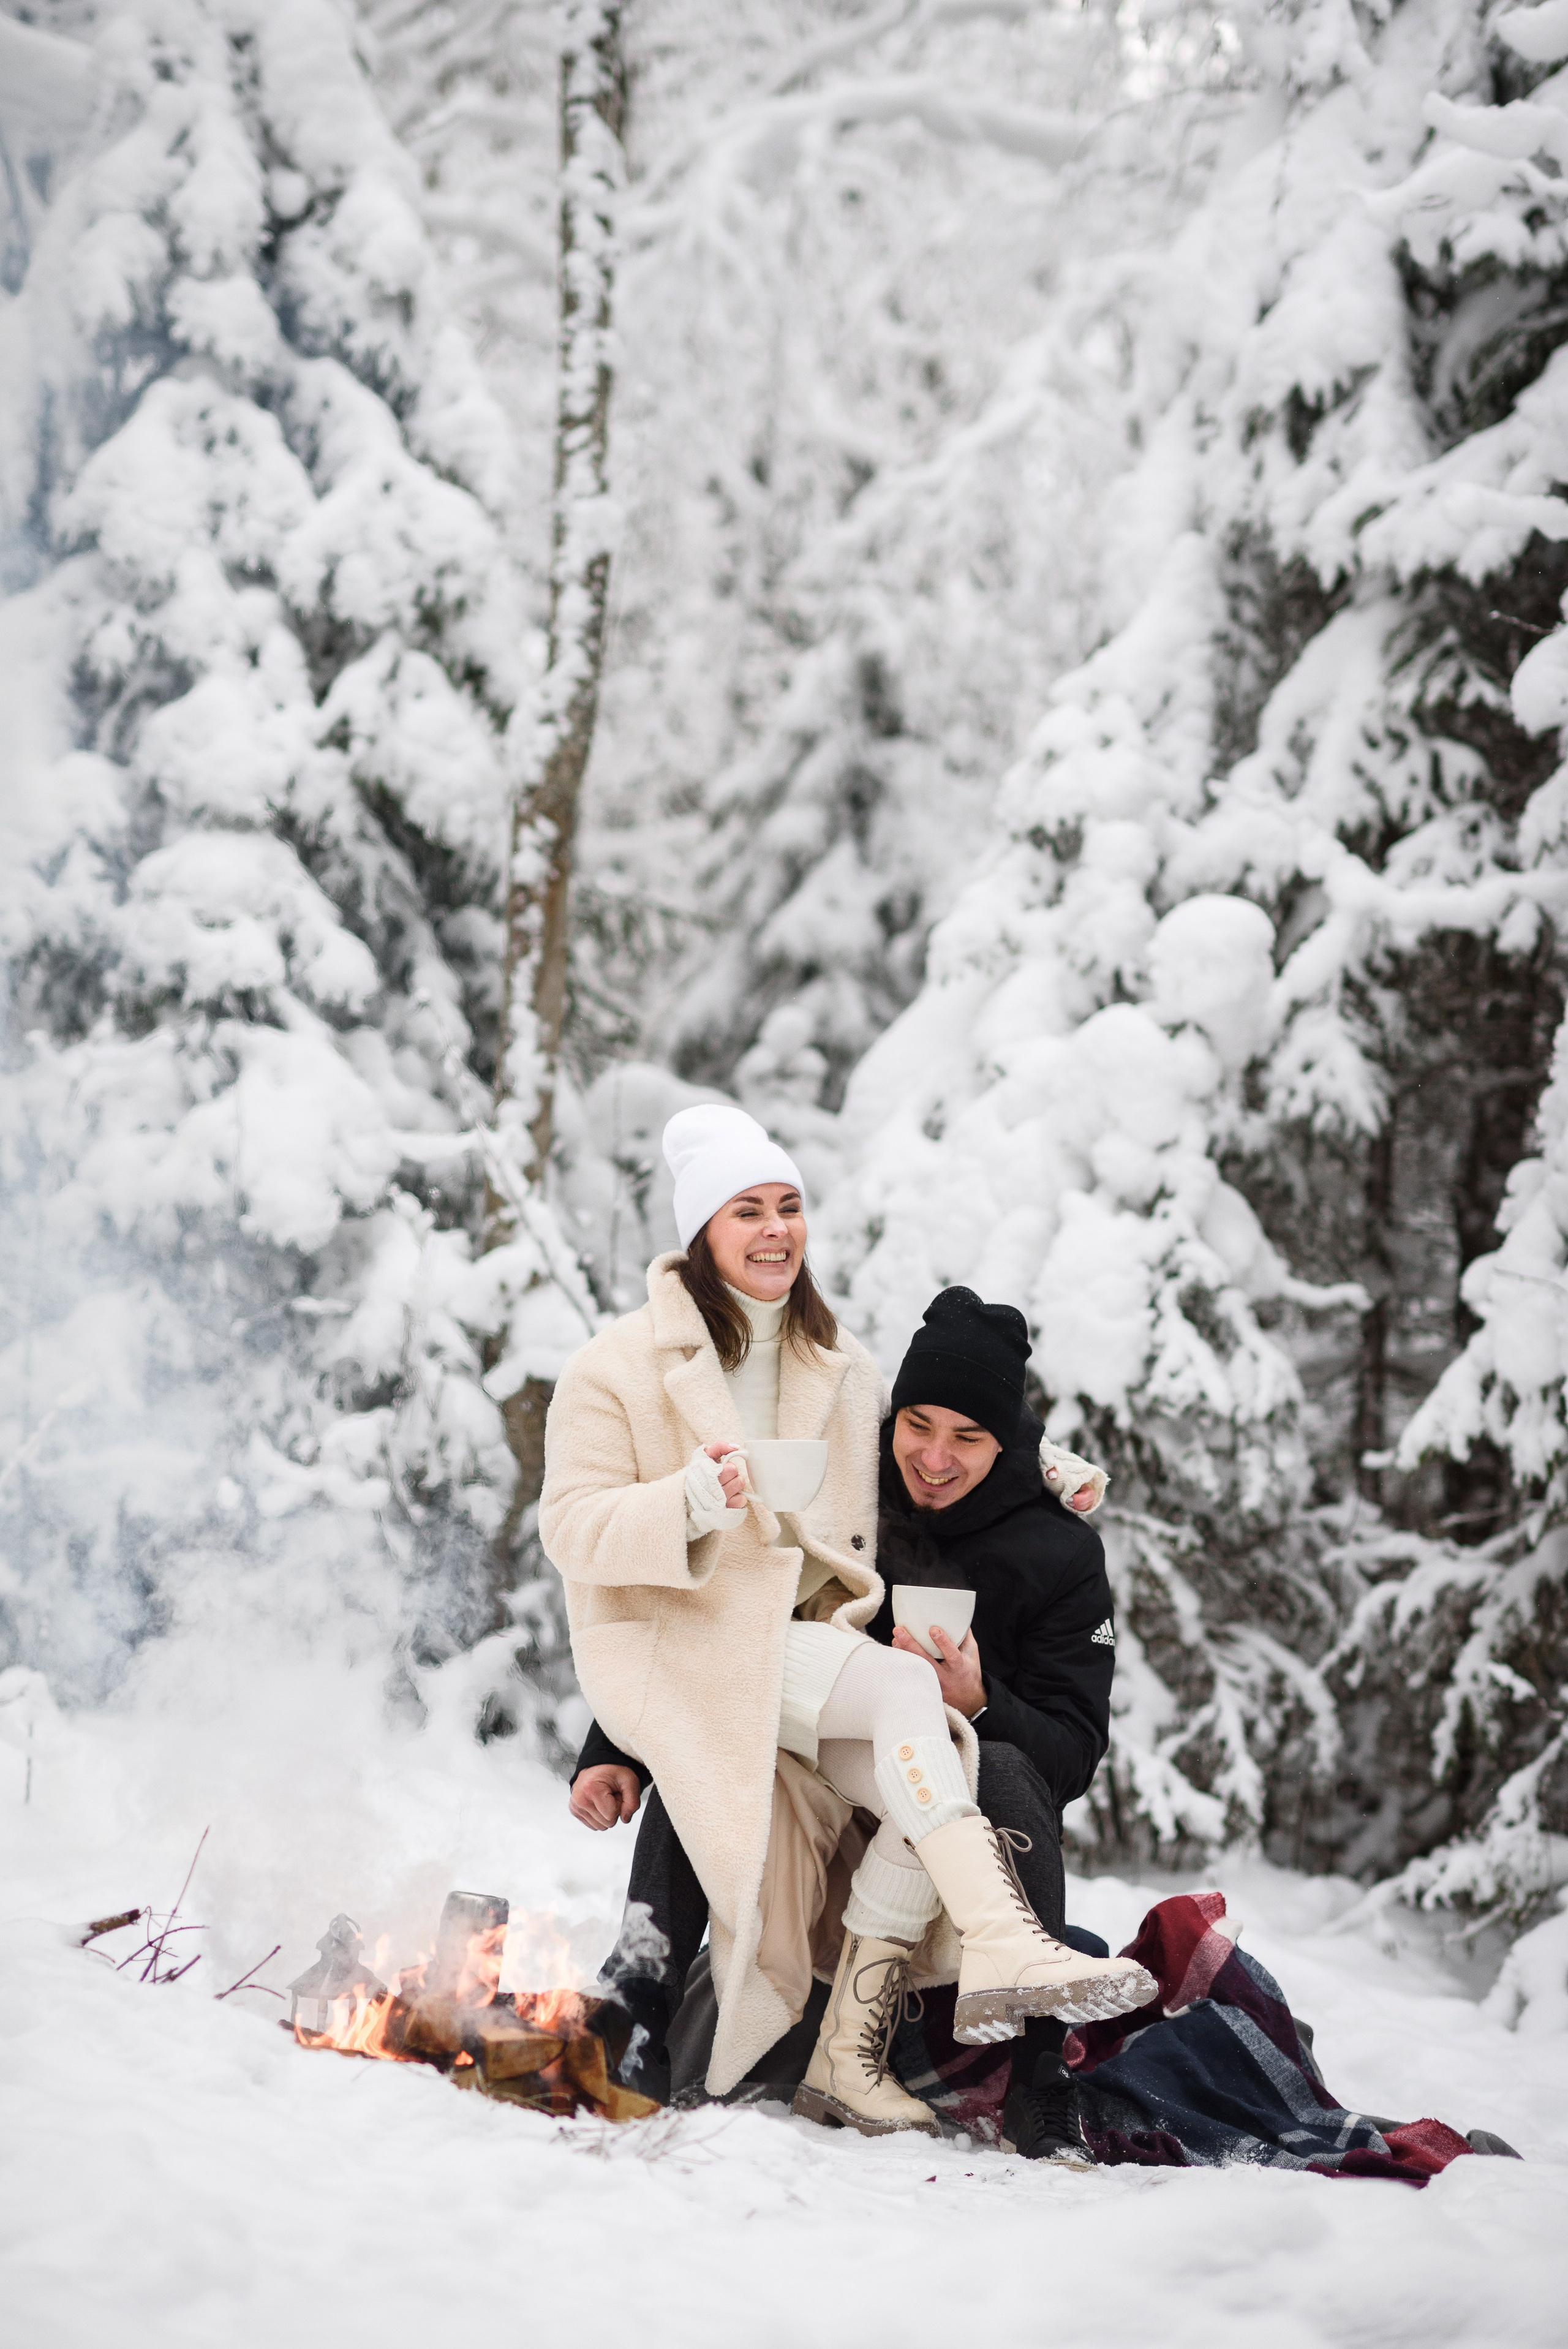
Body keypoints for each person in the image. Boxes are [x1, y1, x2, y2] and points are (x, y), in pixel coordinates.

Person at [542, 1103, 1152, 2140]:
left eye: (789, 1206)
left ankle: (851, 2054)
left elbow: (938, 1417)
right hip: (680, 1645)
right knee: (888, 1700)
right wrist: (690, 1506)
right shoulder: (618, 1367)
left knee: (950, 1754)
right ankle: (650, 2000)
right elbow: (570, 1529)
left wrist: (1039, 1463)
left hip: (796, 1657)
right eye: (749, 1211)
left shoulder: (841, 1367)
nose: (777, 1229)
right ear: (701, 1233)